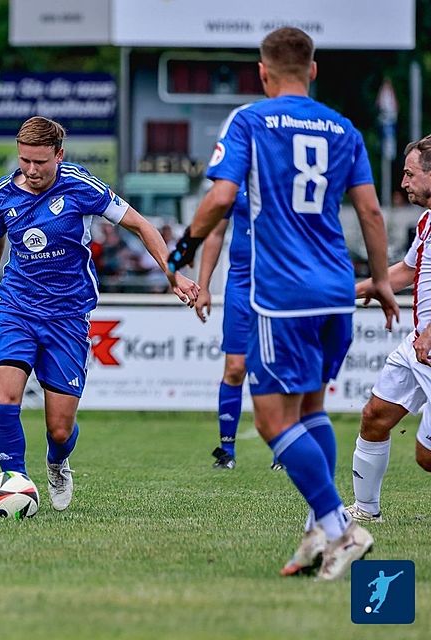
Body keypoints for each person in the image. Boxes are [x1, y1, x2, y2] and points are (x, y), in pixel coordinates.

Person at [167, 27, 399, 580]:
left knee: (273, 424)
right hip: (338, 290)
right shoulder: (344, 129)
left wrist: (182, 250)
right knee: (311, 410)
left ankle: (340, 526)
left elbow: (221, 197)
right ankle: (321, 529)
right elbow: (369, 213)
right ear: (313, 71)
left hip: (283, 293)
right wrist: (383, 282)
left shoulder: (249, 119)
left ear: (262, 72)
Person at [0, 115, 199, 512]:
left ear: (59, 154)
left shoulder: (81, 186)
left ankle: (56, 460)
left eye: (41, 162)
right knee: (5, 395)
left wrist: (172, 274)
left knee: (59, 428)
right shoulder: (1, 196)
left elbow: (140, 224)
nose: (32, 171)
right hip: (16, 307)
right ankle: (14, 482)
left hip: (68, 316)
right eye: (24, 161)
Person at [347, 135, 431, 524]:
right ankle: (366, 510)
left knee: (426, 457)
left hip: (428, 343)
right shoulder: (427, 221)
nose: (403, 183)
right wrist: (348, 292)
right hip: (417, 346)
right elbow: (406, 271)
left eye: (410, 174)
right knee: (375, 416)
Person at [194, 187, 284, 471]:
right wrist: (204, 286)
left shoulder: (287, 174)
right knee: (234, 367)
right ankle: (227, 450)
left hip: (280, 285)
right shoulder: (234, 184)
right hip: (241, 286)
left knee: (277, 367)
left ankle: (284, 449)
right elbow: (216, 233)